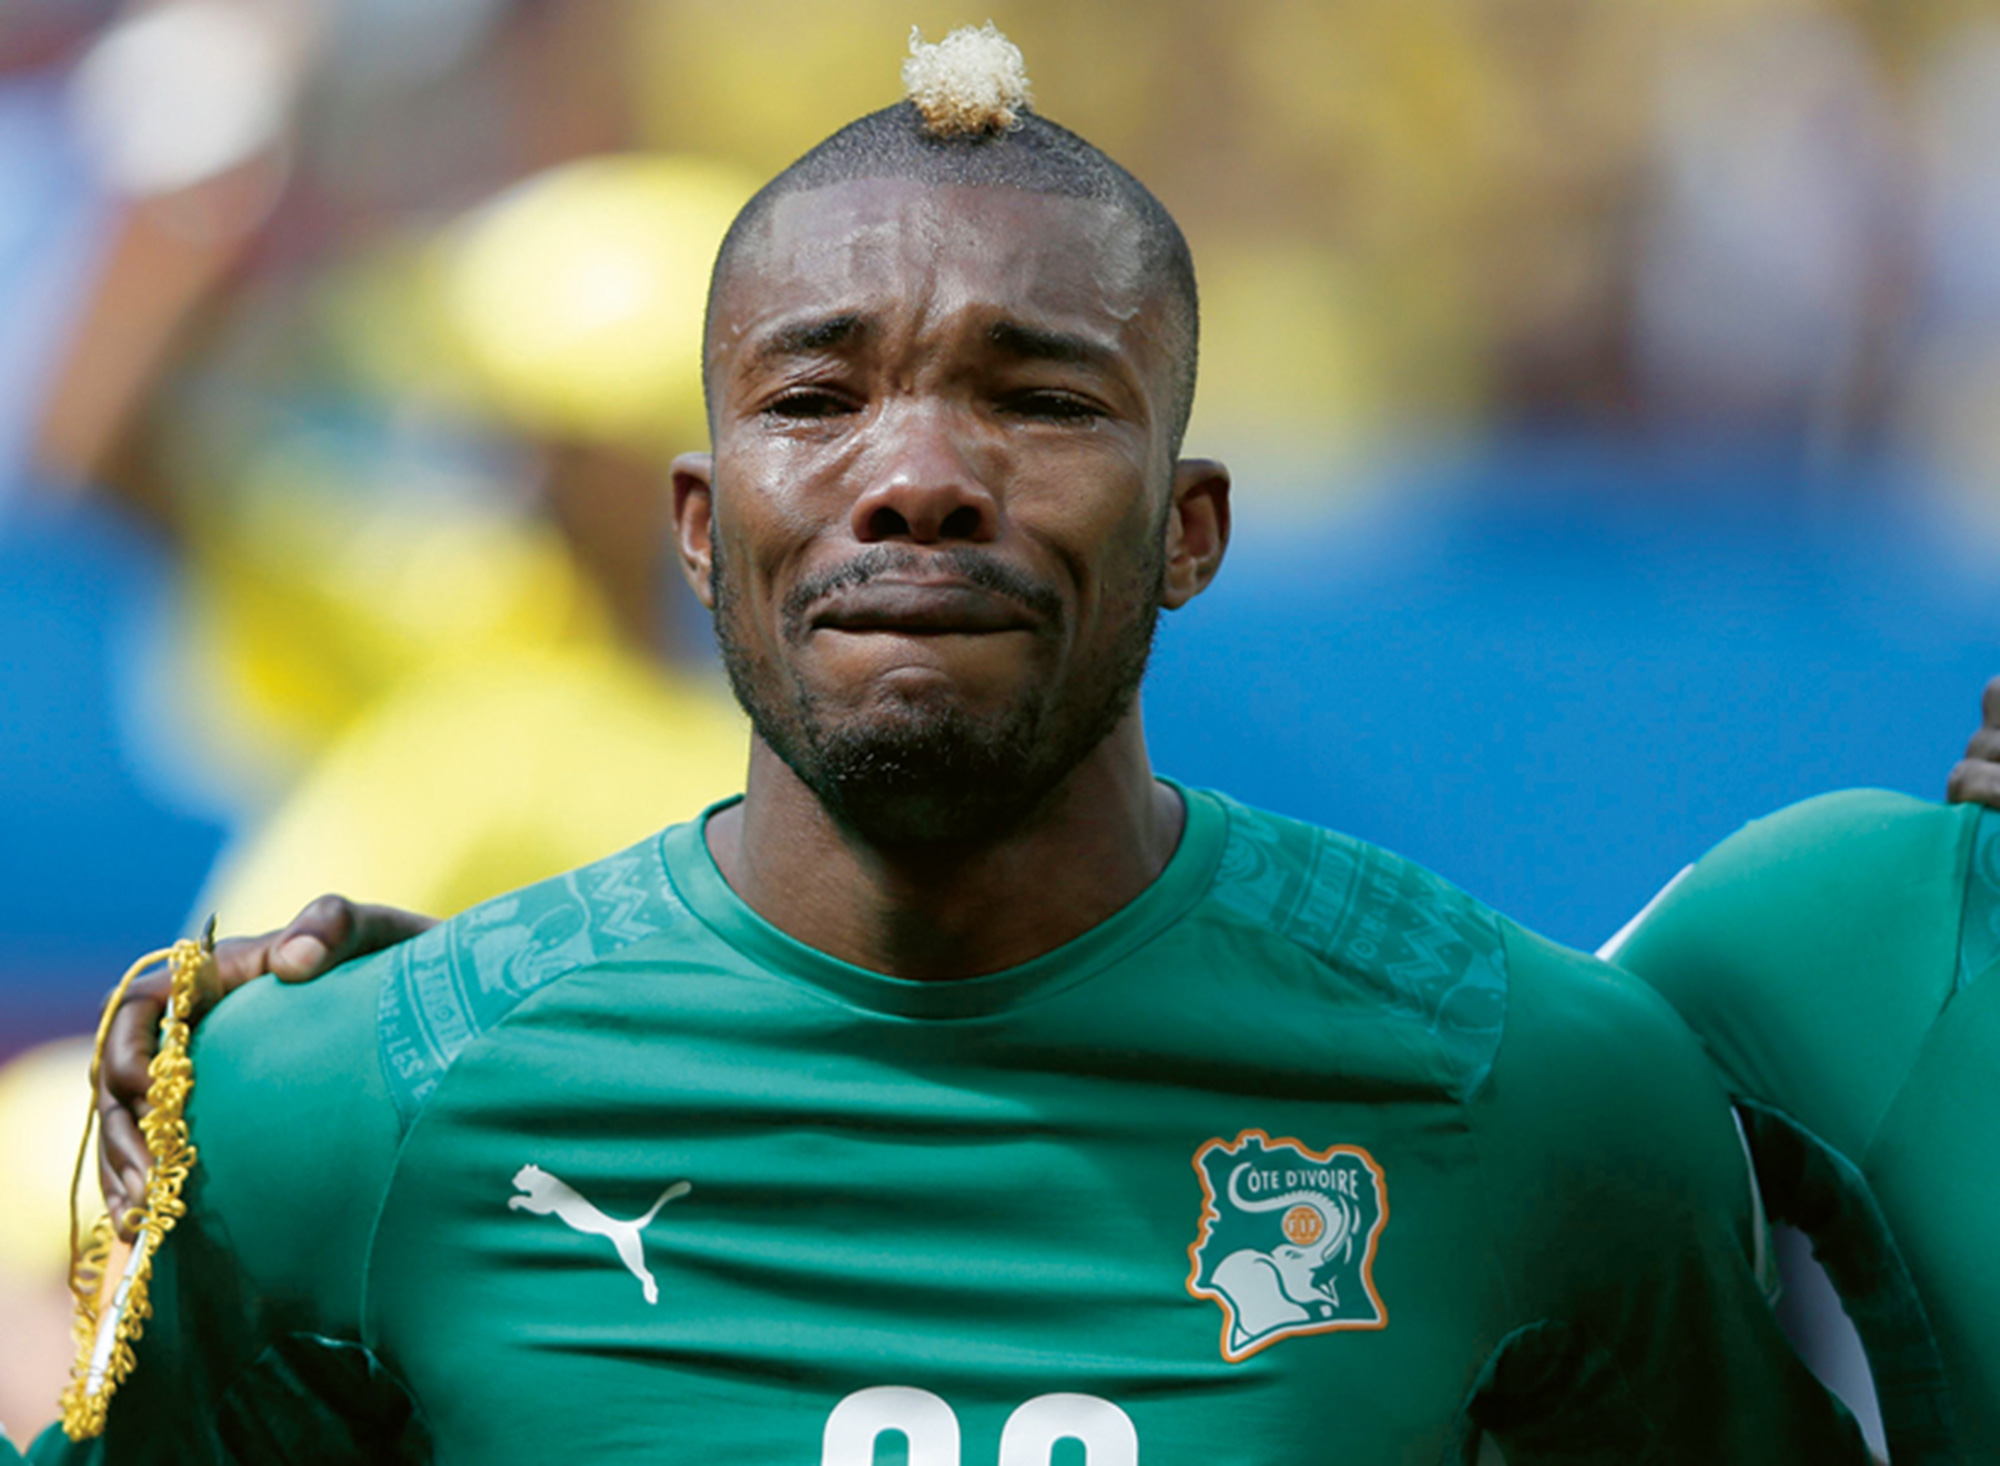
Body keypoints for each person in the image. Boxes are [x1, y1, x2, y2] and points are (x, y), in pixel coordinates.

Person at [12, 27, 1867, 1464]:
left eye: (1042, 397)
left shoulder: (1537, 1096)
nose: (913, 478)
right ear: (695, 517)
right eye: (815, 398)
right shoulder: (341, 1115)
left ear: (1193, 525)